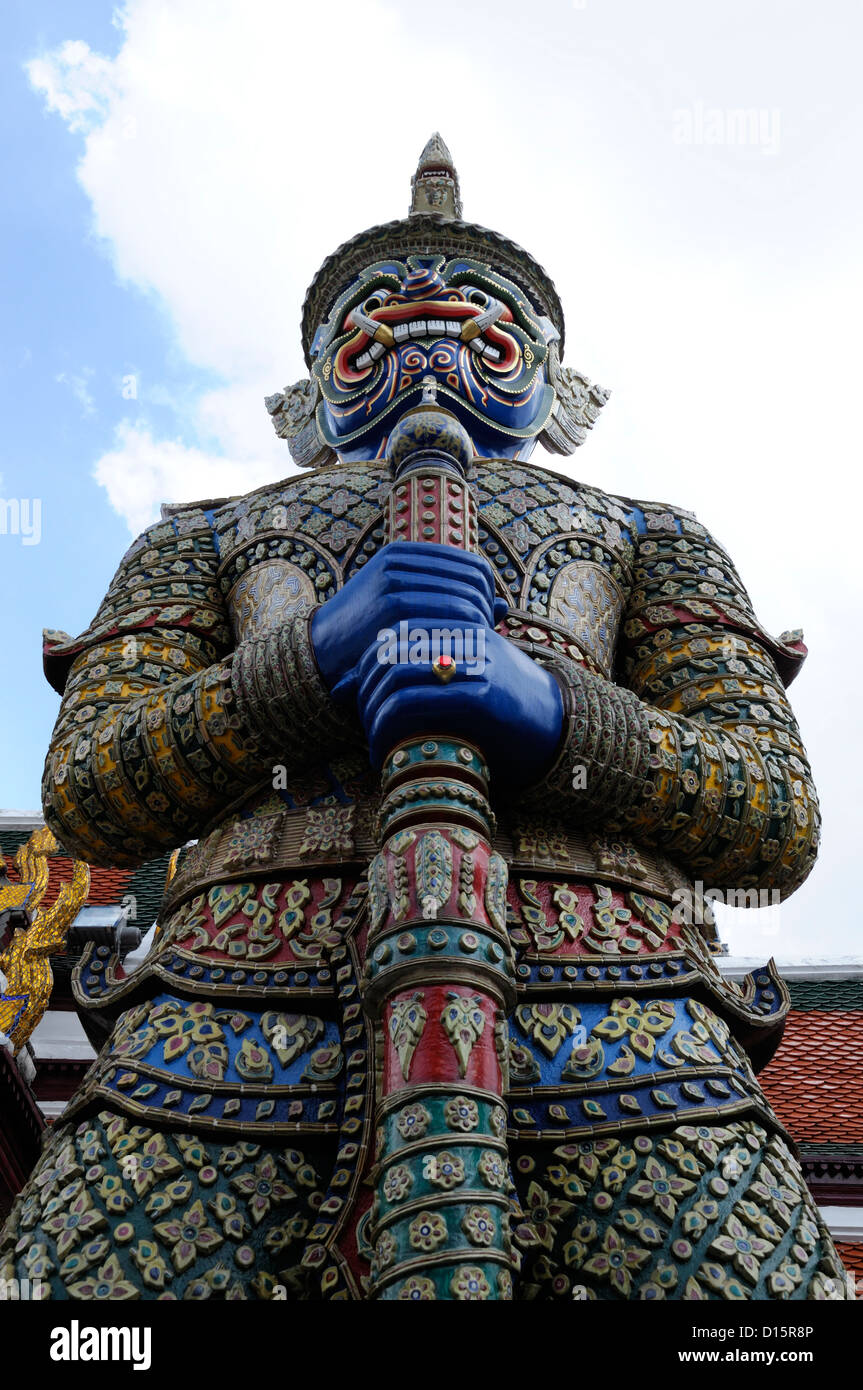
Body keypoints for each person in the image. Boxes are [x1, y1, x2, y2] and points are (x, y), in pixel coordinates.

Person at [0, 136, 845, 1301]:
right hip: (228, 1022)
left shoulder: (653, 537)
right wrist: (305, 661)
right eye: (370, 328)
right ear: (310, 384)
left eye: (489, 327)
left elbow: (769, 818)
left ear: (555, 378)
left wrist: (548, 713)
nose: (428, 341)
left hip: (620, 1021)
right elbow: (92, 786)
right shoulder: (200, 538)